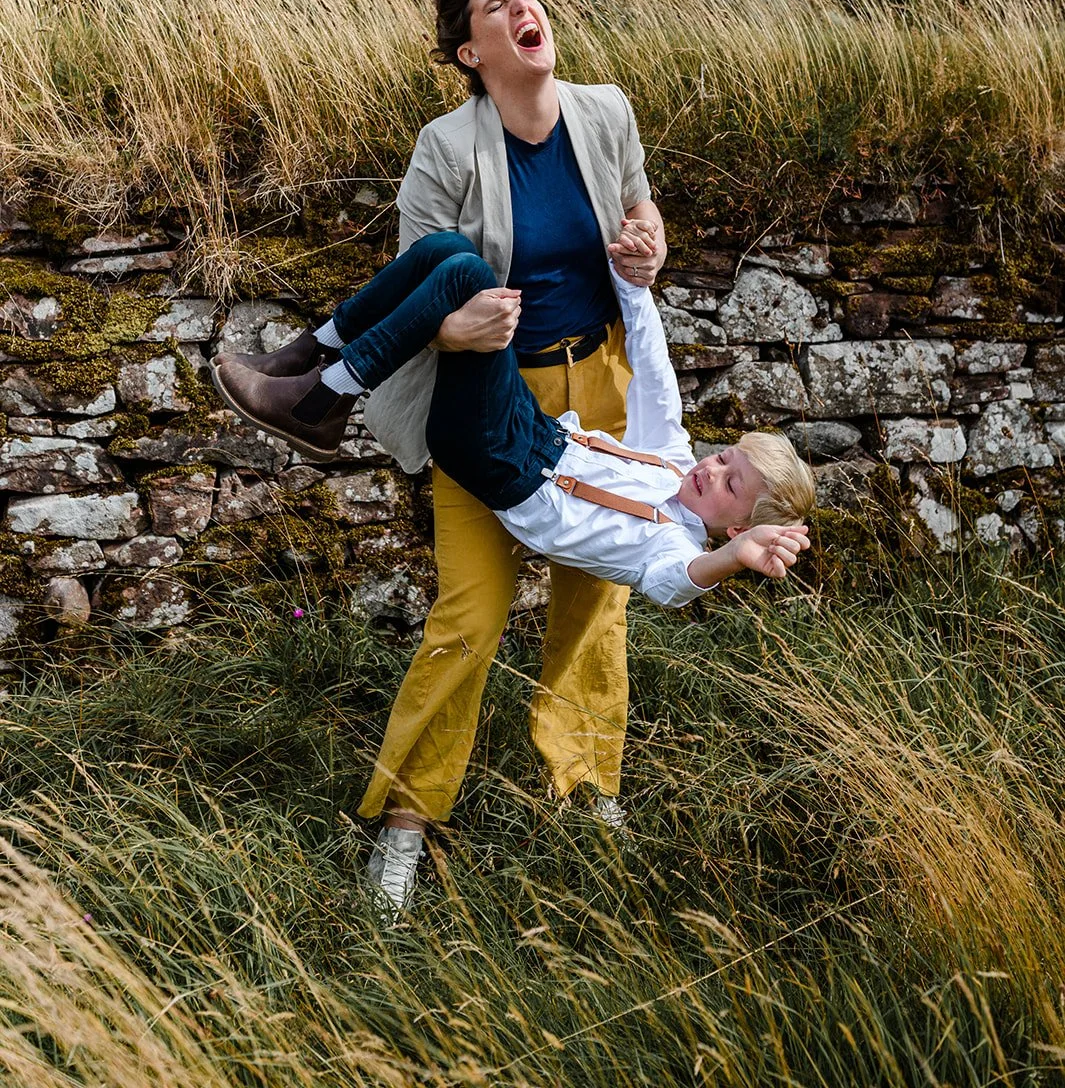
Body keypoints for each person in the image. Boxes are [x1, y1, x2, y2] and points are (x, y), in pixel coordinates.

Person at [214, 0, 671, 918]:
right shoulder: (445, 147)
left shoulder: (606, 111)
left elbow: (640, 207)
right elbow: (416, 285)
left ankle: (585, 790)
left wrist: (648, 245)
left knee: (594, 608)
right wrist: (455, 332)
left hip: (600, 385)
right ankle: (407, 824)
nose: (521, 9)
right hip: (489, 400)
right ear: (470, 51)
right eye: (496, 6)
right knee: (468, 616)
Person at [212, 228, 814, 914]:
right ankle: (310, 356)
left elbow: (677, 585)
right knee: (449, 251)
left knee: (472, 281)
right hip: (534, 426)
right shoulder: (672, 455)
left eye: (730, 485)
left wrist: (733, 560)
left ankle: (325, 394)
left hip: (503, 462)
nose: (711, 471)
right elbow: (649, 358)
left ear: (735, 527)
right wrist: (632, 283)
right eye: (724, 458)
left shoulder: (670, 548)